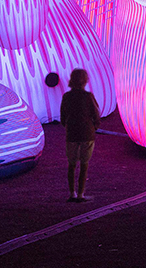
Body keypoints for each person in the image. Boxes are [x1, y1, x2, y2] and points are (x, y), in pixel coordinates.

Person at [60, 68, 100, 202]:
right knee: (84, 164)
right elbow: (96, 114)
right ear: (85, 80)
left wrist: (68, 127)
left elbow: (63, 116)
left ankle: (72, 193)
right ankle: (81, 194)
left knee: (71, 164)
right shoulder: (88, 96)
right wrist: (94, 127)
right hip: (87, 134)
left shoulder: (66, 97)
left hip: (72, 134)